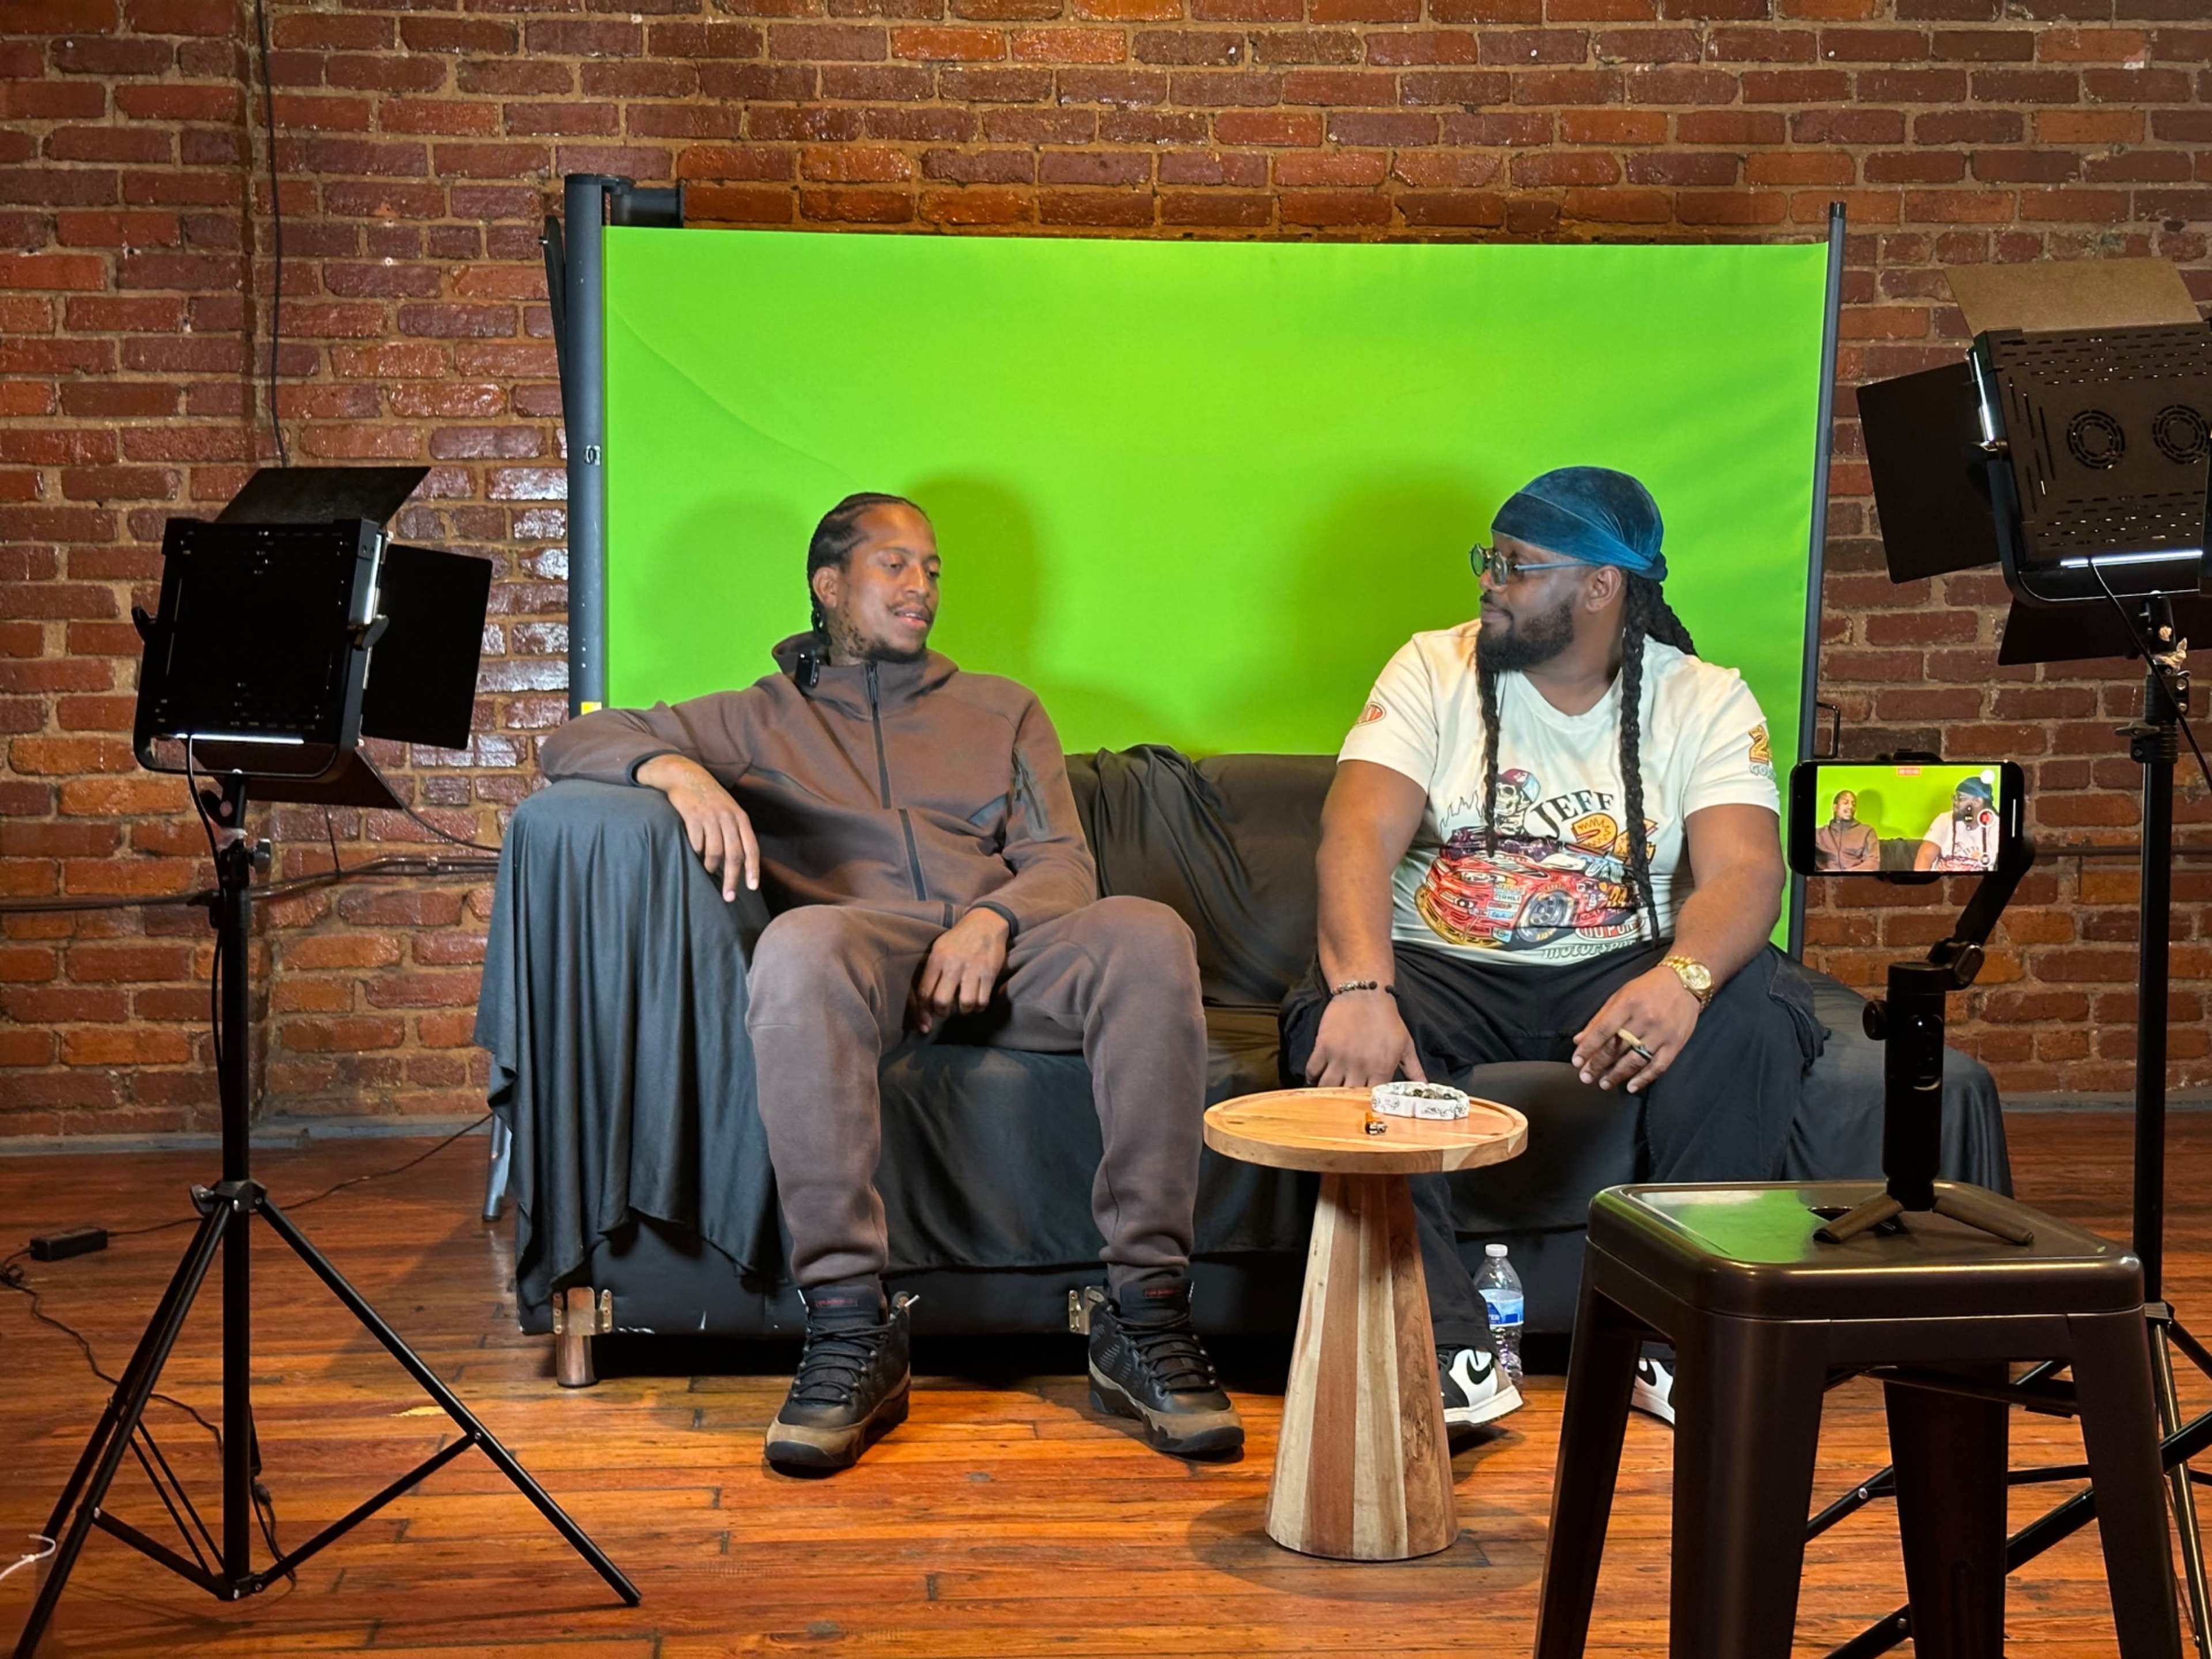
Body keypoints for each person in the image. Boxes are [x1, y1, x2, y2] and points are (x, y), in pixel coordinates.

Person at [539, 493, 1243, 1473]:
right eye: (895, 565)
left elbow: (1061, 865)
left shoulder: (1004, 708)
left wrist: (990, 921)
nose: (922, 587)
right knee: (799, 943)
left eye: (934, 569)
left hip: (1009, 955)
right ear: (829, 586)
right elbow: (568, 742)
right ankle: (848, 1327)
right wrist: (675, 769)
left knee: (1148, 933)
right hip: (864, 957)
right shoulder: (755, 717)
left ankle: (1146, 1319)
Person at [1281, 466, 1824, 1434]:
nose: (1489, 580)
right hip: (1441, 959)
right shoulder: (1429, 667)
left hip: (1624, 961)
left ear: (1601, 586)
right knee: (1326, 1019)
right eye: (1491, 559)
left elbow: (1746, 873)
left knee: (1758, 1013)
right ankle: (1446, 1349)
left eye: (1518, 567)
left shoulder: (1703, 698)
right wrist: (1362, 987)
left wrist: (1684, 980)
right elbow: (1354, 834)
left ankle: (1682, 1340)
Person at [1914, 777, 1999, 873]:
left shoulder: (1996, 826)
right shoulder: (1944, 820)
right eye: (1954, 798)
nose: (1955, 802)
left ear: (1977, 802)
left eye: (1960, 798)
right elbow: (1925, 856)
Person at [1815, 789, 1880, 872]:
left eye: (1854, 804)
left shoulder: (1867, 831)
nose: (1851, 807)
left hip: (1856, 880)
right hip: (1826, 881)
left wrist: (1847, 874)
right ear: (1835, 807)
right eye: (1846, 803)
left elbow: (1873, 863)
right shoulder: (1818, 835)